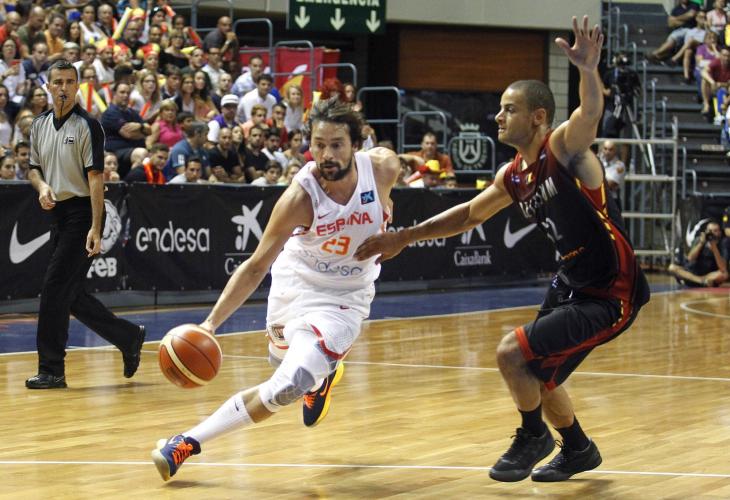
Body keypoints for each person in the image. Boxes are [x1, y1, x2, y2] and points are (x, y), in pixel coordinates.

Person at [355, 16, 650, 483]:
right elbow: (469, 215)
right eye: (499, 108)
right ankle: (577, 448)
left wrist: (588, 70)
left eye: (508, 108)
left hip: (611, 291)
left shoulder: (564, 149)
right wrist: (403, 236)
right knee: (540, 372)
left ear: (537, 117)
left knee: (513, 354)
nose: (497, 116)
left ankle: (533, 435)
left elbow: (588, 114)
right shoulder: (513, 175)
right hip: (571, 280)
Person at [151, 96, 399, 481]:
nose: (326, 154)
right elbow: (255, 266)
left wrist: (386, 232)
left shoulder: (383, 167)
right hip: (295, 284)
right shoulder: (301, 196)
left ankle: (185, 442)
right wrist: (210, 325)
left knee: (287, 384)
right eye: (318, 145)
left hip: (345, 298)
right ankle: (323, 375)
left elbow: (385, 206)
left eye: (336, 144)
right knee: (281, 364)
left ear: (356, 143)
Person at [25, 60, 145, 389]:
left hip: (84, 213)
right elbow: (33, 168)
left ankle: (51, 369)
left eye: (69, 81)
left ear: (77, 87)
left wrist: (95, 226)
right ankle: (129, 337)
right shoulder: (39, 125)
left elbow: (96, 179)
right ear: (47, 87)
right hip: (59, 212)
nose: (63, 87)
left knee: (52, 289)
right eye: (57, 82)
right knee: (70, 293)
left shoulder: (87, 126)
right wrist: (43, 186)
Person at [668, 220, 729, 286]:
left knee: (724, 274)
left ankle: (696, 280)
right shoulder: (699, 240)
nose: (712, 233)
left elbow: (723, 268)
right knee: (672, 267)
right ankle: (701, 282)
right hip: (694, 272)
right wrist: (701, 243)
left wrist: (714, 248)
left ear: (720, 232)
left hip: (709, 275)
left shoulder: (723, 243)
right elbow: (690, 258)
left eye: (715, 231)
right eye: (710, 231)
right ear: (706, 231)